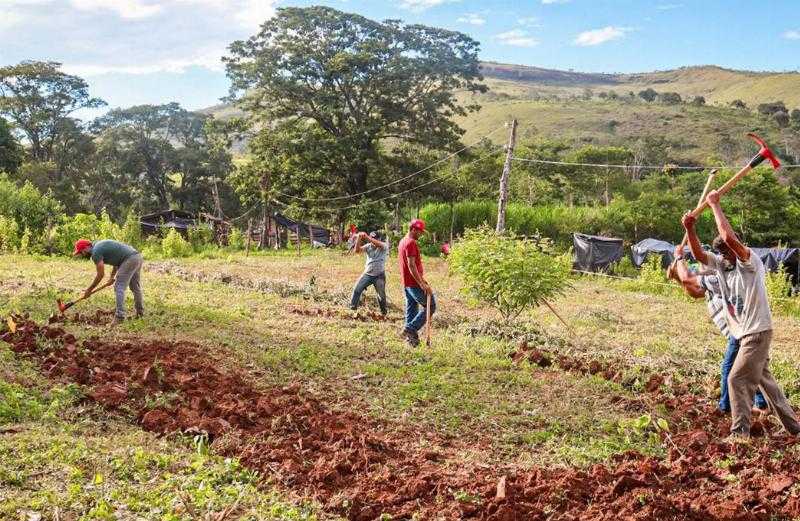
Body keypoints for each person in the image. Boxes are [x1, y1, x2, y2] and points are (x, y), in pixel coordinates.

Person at [682, 190, 800, 440]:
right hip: (744, 333)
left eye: (728, 251)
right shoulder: (723, 265)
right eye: (722, 253)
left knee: (736, 379)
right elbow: (699, 256)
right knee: (765, 382)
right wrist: (690, 228)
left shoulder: (750, 263)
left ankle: (739, 434)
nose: (725, 256)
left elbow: (727, 236)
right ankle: (794, 427)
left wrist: (714, 205)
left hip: (756, 331)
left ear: (738, 248)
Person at [667, 246, 768, 414]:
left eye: (702, 263)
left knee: (730, 369)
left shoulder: (716, 276)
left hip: (741, 330)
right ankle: (762, 403)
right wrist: (678, 275)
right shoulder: (709, 282)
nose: (699, 267)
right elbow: (694, 291)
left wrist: (678, 259)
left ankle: (726, 406)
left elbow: (688, 280)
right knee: (754, 367)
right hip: (743, 329)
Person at [73, 238, 144, 325]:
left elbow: (100, 274)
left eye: (81, 252)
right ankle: (140, 313)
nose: (82, 254)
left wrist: (89, 290)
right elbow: (117, 260)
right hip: (136, 256)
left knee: (119, 287)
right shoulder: (99, 245)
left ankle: (120, 316)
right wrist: (112, 277)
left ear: (87, 247)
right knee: (135, 287)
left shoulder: (95, 253)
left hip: (129, 259)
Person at [398, 219, 435, 347]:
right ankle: (411, 328)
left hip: (406, 282)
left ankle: (411, 341)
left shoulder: (402, 241)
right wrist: (422, 284)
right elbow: (411, 265)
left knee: (412, 309)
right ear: (413, 229)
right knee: (431, 305)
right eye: (419, 232)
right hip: (414, 283)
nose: (420, 235)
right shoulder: (411, 243)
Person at [349, 231, 389, 316]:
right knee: (357, 290)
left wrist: (366, 237)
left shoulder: (383, 246)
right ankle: (352, 309)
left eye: (375, 239)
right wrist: (359, 238)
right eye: (372, 239)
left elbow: (377, 243)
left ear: (379, 239)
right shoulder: (368, 246)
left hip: (379, 275)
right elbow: (357, 251)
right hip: (367, 274)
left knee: (381, 296)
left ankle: (384, 313)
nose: (373, 241)